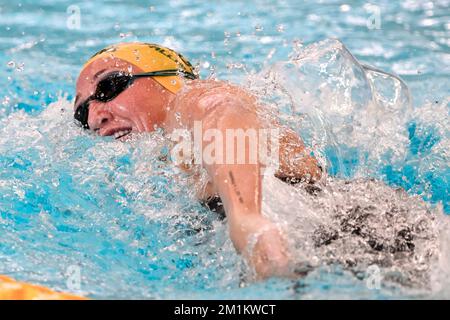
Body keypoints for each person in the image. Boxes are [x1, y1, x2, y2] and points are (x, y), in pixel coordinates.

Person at [74, 42, 322, 278]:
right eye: (82, 113)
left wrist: (246, 216)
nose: (95, 118)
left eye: (108, 87)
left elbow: (221, 108)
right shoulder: (156, 168)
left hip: (327, 225)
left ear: (169, 80)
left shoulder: (187, 99)